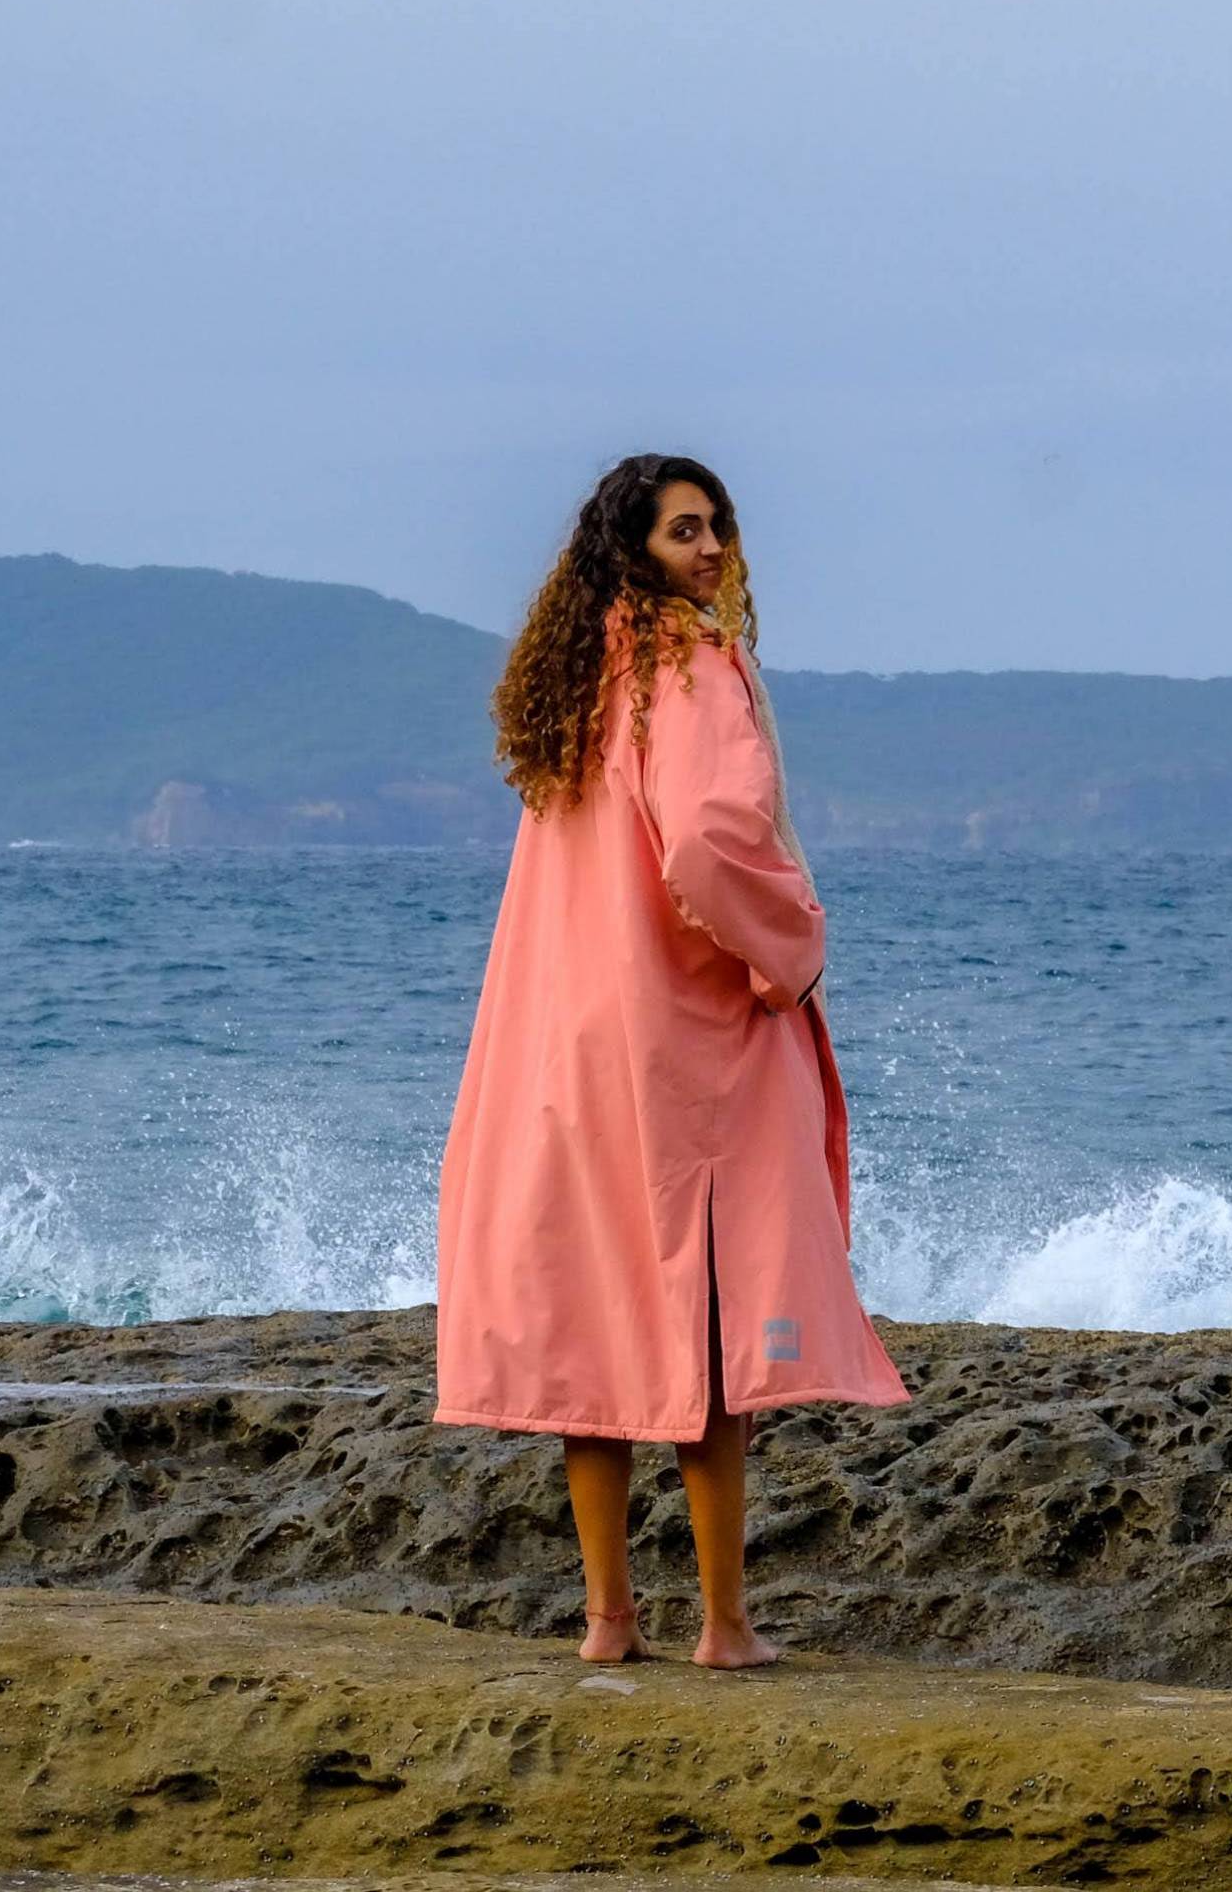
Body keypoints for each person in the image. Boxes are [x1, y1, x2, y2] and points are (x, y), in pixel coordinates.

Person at [431, 452, 910, 1670]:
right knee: (709, 1329)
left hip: (564, 1042)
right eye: (684, 531)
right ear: (634, 549)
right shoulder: (686, 664)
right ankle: (726, 1626)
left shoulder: (576, 679)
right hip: (681, 1043)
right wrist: (789, 949)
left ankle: (605, 1621)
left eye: (719, 527)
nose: (710, 549)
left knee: (594, 1322)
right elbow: (706, 839)